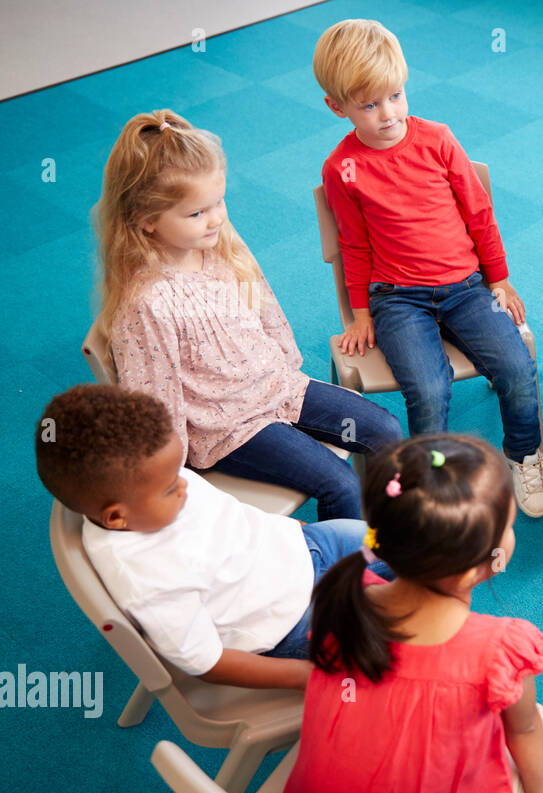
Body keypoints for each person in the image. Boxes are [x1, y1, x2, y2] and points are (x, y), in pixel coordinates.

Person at [279, 435, 543, 793]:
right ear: (476, 568)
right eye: (507, 527)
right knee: (539, 725)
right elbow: (523, 732)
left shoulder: (341, 598)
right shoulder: (500, 649)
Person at [95, 109, 403, 522]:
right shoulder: (146, 305)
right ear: (145, 221)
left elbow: (262, 303)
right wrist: (171, 477)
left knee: (386, 429)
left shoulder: (218, 244)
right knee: (340, 485)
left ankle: (394, 532)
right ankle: (343, 578)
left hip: (278, 387)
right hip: (228, 429)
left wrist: (287, 365)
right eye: (197, 213)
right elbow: (155, 399)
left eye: (218, 202)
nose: (217, 219)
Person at [313, 18, 543, 518]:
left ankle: (524, 455)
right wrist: (360, 312)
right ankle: (431, 480)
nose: (388, 114)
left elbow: (479, 213)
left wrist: (500, 278)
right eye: (370, 104)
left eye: (396, 96)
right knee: (428, 388)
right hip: (397, 298)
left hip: (467, 288)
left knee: (517, 368)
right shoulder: (342, 168)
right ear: (337, 107)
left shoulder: (439, 139)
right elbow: (354, 245)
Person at [36, 385, 390, 690]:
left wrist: (286, 530)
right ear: (116, 517)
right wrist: (301, 676)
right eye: (171, 485)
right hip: (289, 622)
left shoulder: (151, 492)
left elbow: (226, 515)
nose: (185, 484)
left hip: (308, 547)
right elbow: (208, 664)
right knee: (408, 636)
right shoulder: (147, 579)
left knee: (415, 543)